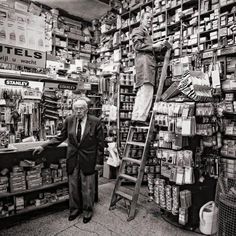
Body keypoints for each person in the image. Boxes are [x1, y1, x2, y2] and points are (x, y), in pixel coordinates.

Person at [33, 99, 104, 224]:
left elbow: (100, 144)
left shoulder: (96, 122)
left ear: (86, 109)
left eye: (81, 108)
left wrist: (99, 163)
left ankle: (87, 211)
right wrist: (43, 146)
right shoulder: (69, 120)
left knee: (87, 187)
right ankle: (74, 210)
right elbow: (61, 137)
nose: (78, 111)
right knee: (73, 187)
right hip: (72, 159)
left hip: (88, 159)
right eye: (76, 109)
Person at [131, 11, 172, 126]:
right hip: (145, 65)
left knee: (141, 92)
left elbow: (147, 48)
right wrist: (154, 46)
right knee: (147, 91)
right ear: (141, 19)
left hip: (145, 64)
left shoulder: (146, 33)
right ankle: (141, 119)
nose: (150, 20)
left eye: (151, 19)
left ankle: (136, 117)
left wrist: (159, 47)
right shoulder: (138, 30)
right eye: (147, 18)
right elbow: (137, 46)